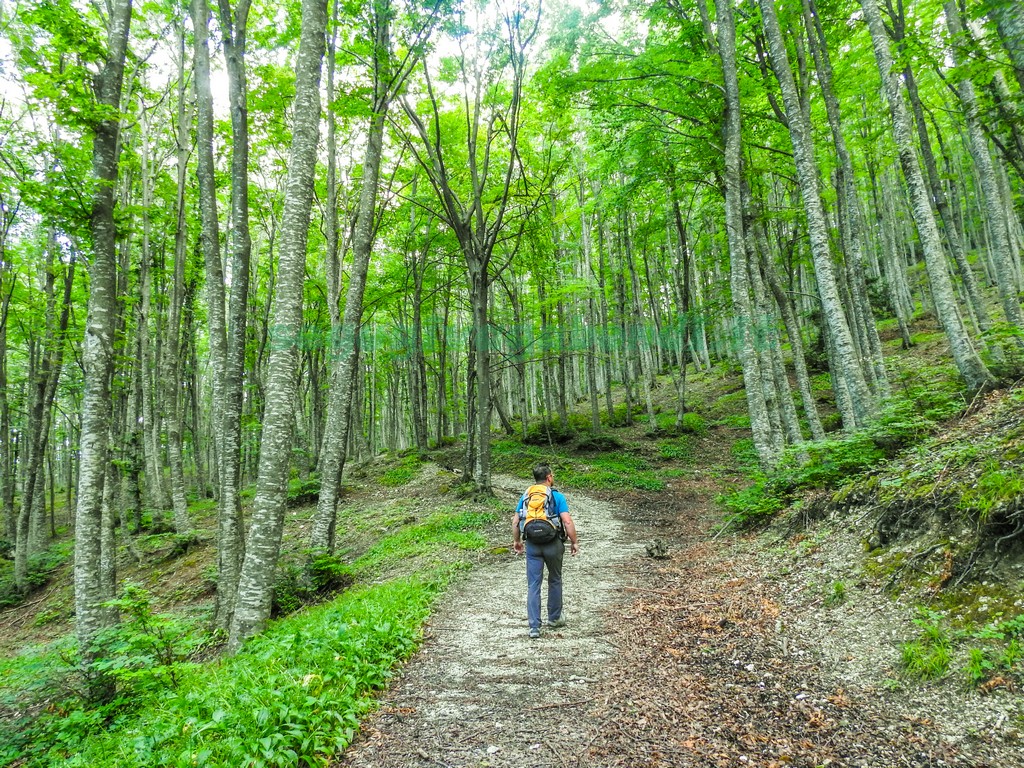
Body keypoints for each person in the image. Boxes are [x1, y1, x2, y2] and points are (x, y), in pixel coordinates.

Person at [512, 464, 579, 639]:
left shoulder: (526, 495)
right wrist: (574, 542)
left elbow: (515, 521)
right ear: (549, 477)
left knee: (533, 584)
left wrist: (517, 541)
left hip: (533, 544)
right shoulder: (556, 496)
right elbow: (567, 521)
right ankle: (555, 618)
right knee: (555, 579)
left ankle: (534, 627)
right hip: (553, 543)